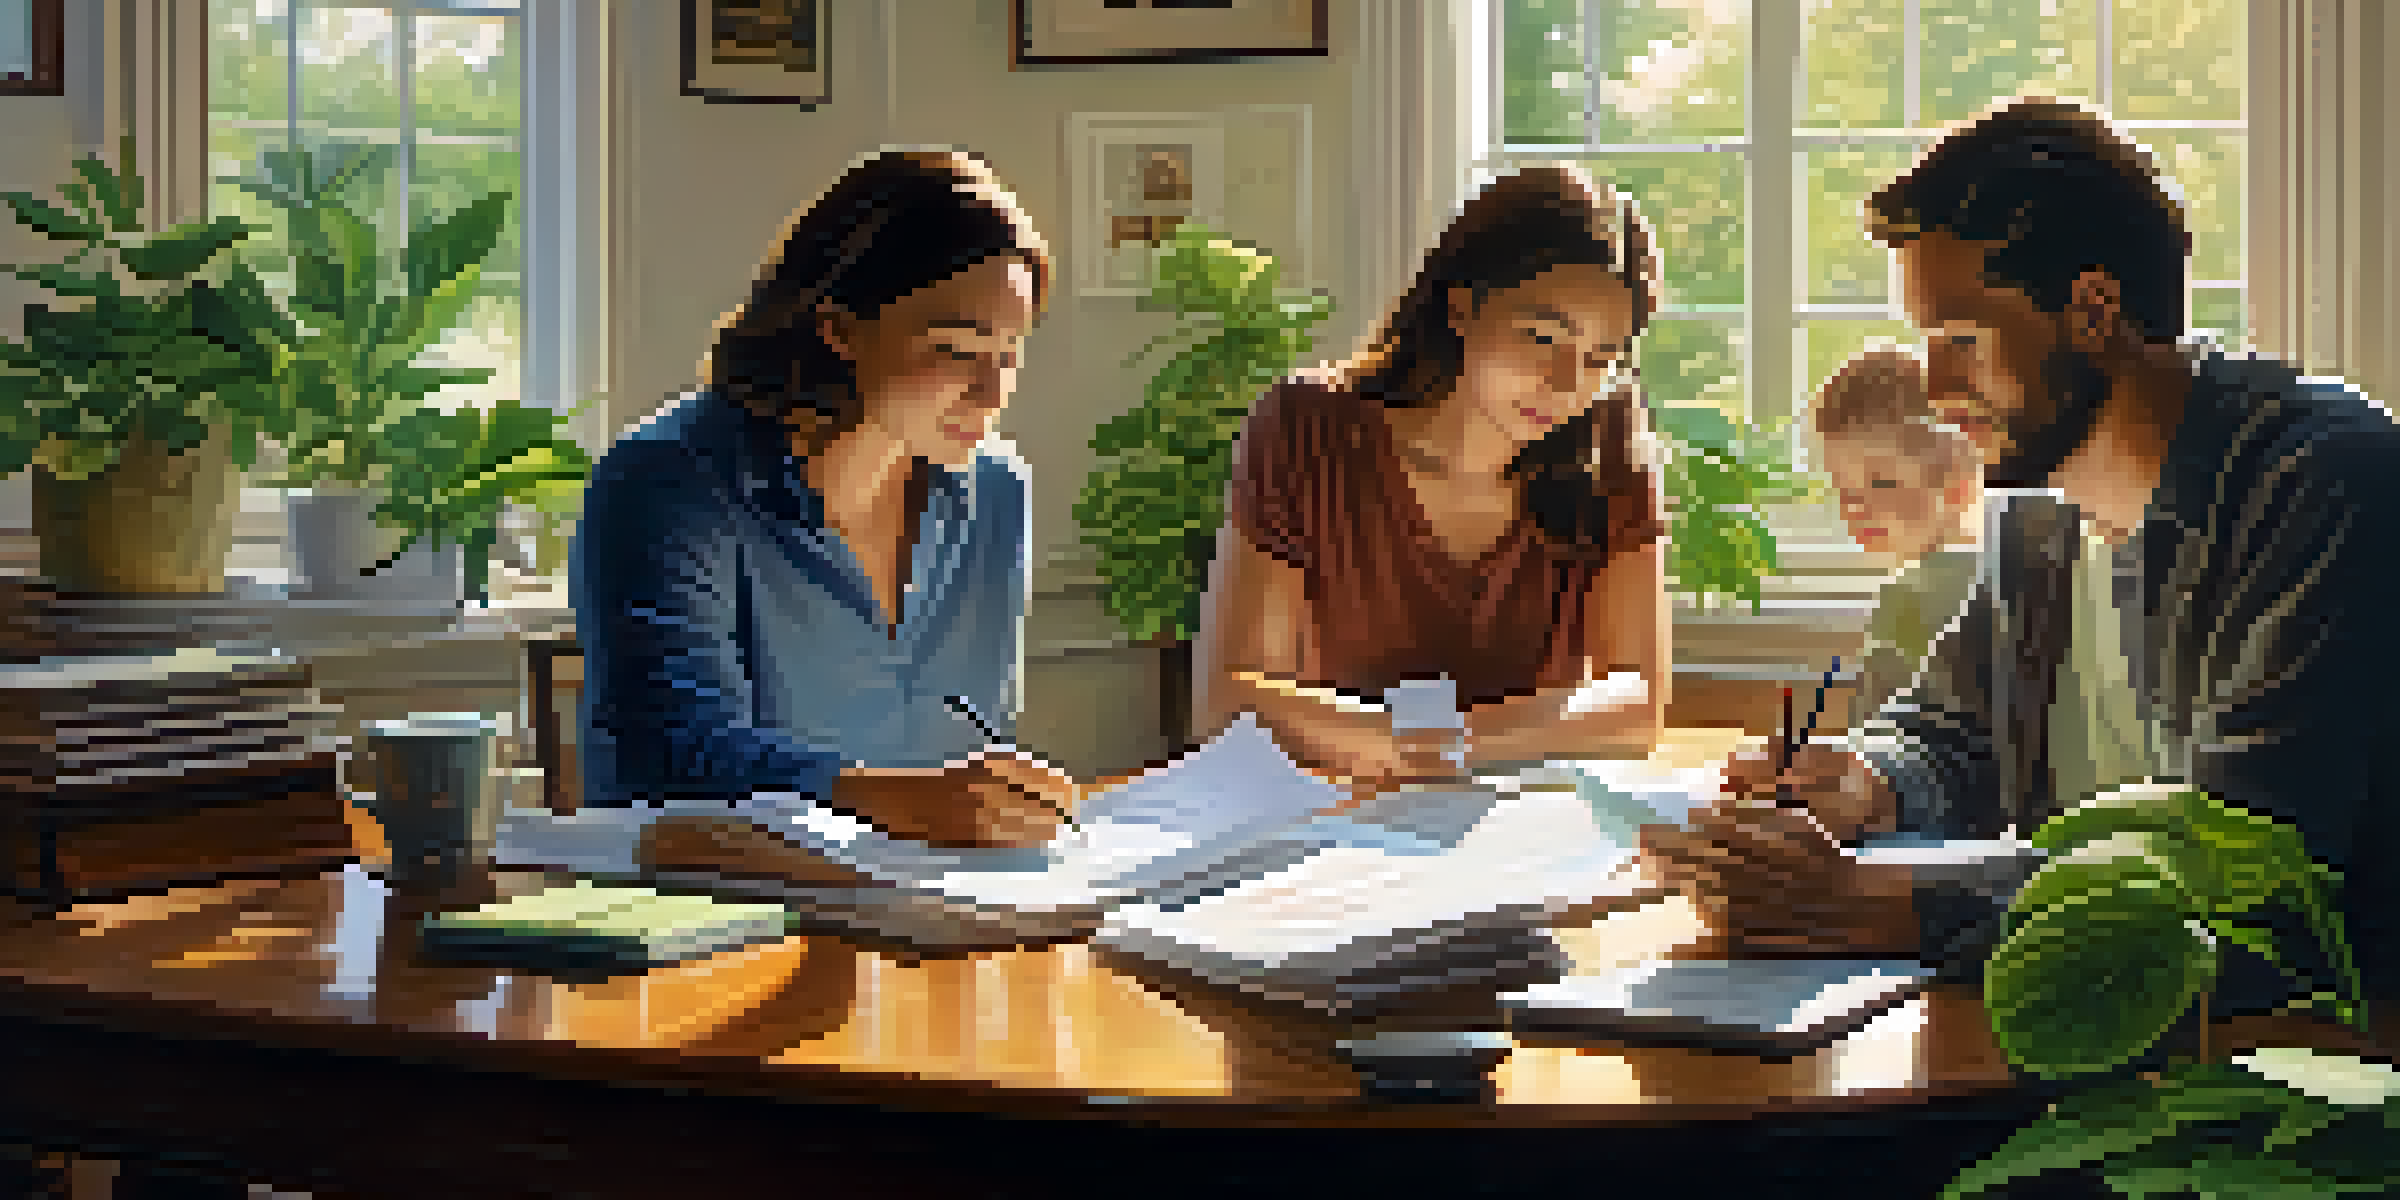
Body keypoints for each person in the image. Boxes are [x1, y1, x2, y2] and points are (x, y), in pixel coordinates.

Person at [1643, 97, 2400, 1032]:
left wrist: (1873, 907)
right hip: (2069, 1038)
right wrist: (1864, 787)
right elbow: (1952, 737)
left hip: (2278, 1075)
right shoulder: (2037, 506)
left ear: (2091, 309)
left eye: (1961, 340)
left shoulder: (2319, 481)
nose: (1933, 385)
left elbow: (2250, 885)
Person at [571, 148, 1079, 864]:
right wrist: (904, 803)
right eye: (956, 351)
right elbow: (668, 756)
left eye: (1010, 354)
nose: (991, 396)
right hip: (711, 923)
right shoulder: (665, 482)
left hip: (937, 909)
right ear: (838, 329)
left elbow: (974, 751)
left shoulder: (997, 491)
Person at [1193, 165, 1671, 796]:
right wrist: (1444, 743)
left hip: (1525, 832)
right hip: (1330, 830)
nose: (1566, 383)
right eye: (1541, 336)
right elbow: (1233, 702)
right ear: (1463, 307)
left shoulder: (1608, 440)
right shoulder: (1306, 427)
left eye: (1598, 359)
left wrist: (1440, 742)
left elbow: (1635, 703)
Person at [1813, 345, 1982, 718]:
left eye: (1882, 482)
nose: (1856, 506)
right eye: (1844, 488)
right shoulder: (2007, 576)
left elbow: (1875, 737)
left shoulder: (1908, 598)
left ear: (1958, 487)